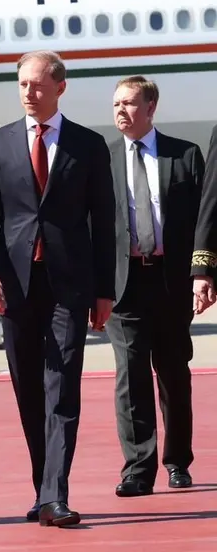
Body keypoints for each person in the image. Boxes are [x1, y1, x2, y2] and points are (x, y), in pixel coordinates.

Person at [0, 50, 116, 528]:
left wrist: (103, 291)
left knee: (62, 387)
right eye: (22, 85)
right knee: (29, 389)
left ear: (60, 87)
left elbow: (103, 222)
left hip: (69, 287)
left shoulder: (89, 145)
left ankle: (56, 495)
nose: (29, 94)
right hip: (14, 287)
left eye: (37, 85)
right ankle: (42, 487)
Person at [101, 76, 203, 496]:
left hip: (170, 282)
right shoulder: (102, 161)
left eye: (128, 103)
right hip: (124, 284)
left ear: (150, 107)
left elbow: (206, 221)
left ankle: (178, 461)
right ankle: (138, 470)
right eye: (116, 105)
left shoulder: (185, 156)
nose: (120, 112)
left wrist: (204, 274)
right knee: (130, 377)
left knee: (174, 375)